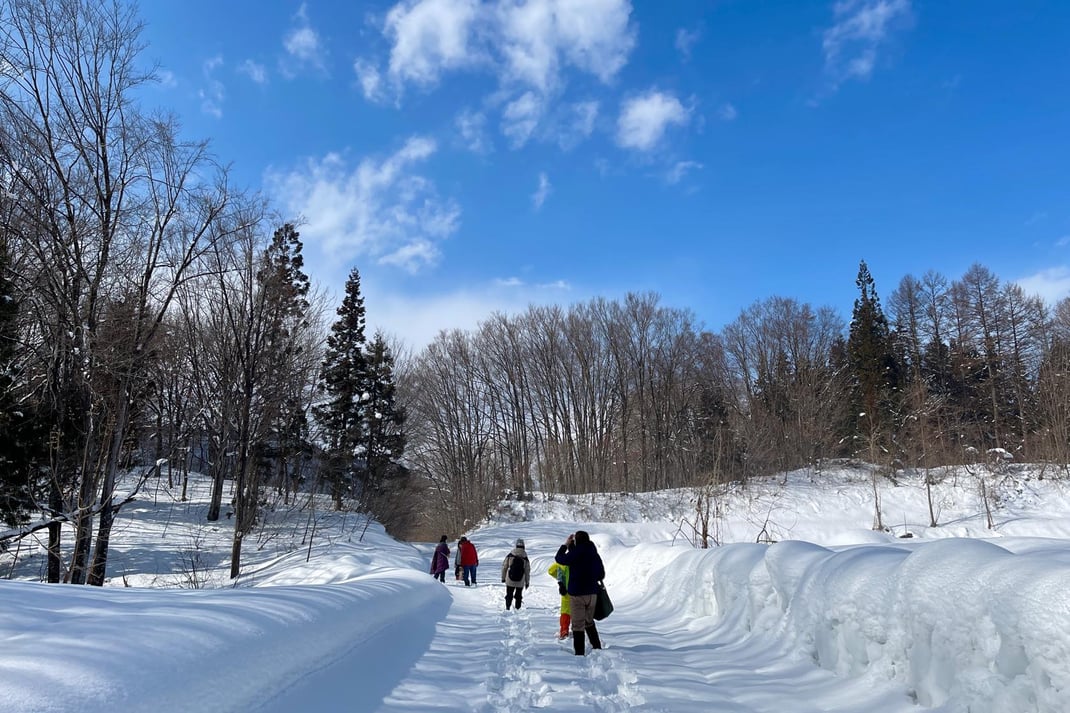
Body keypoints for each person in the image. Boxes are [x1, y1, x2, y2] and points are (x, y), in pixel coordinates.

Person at [555, 530, 605, 655]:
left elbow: (559, 559)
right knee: (589, 622)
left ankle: (579, 653)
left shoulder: (575, 553)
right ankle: (597, 647)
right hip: (592, 594)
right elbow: (601, 574)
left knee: (578, 624)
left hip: (577, 593)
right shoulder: (594, 553)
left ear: (576, 540)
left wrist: (566, 545)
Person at [501, 538, 530, 609]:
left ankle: (508, 607)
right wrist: (527, 582)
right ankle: (518, 609)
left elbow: (504, 567)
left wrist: (503, 578)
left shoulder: (510, 555)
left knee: (509, 594)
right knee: (518, 595)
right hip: (520, 580)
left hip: (510, 579)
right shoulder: (525, 558)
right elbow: (527, 571)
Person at [548, 559, 571, 639]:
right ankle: (581, 630)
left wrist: (561, 582)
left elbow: (551, 570)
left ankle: (564, 630)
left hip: (566, 590)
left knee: (565, 611)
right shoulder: (582, 559)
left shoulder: (563, 561)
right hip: (581, 591)